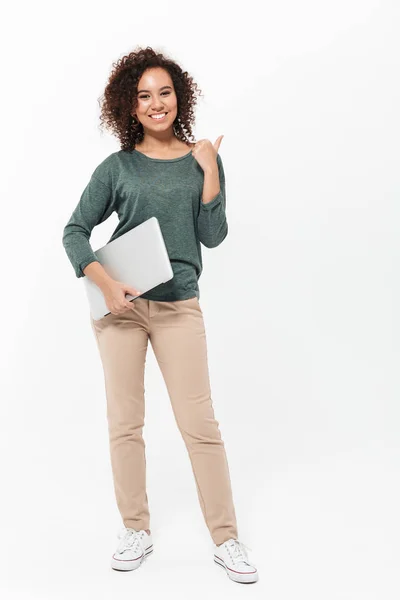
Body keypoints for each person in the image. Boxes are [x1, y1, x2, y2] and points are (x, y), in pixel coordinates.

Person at [62, 46, 258, 584]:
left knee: (200, 424)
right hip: (120, 309)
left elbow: (212, 237)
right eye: (144, 95)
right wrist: (105, 283)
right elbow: (74, 231)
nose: (156, 103)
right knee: (125, 423)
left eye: (164, 92)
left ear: (180, 97)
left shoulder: (203, 158)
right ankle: (135, 529)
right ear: (129, 105)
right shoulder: (118, 167)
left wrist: (211, 173)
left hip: (179, 306)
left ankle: (227, 538)